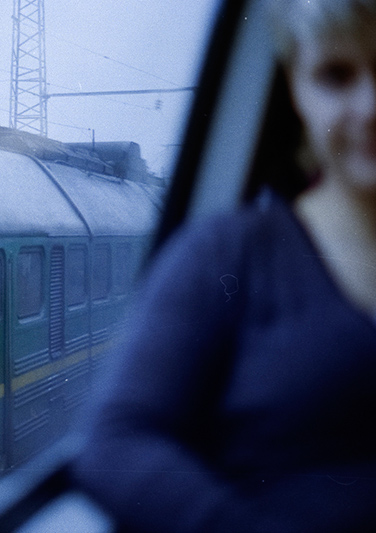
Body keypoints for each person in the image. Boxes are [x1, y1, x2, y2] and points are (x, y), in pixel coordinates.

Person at [71, 1, 376, 531]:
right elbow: (117, 442)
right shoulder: (227, 255)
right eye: (335, 75)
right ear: (297, 89)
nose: (370, 106)